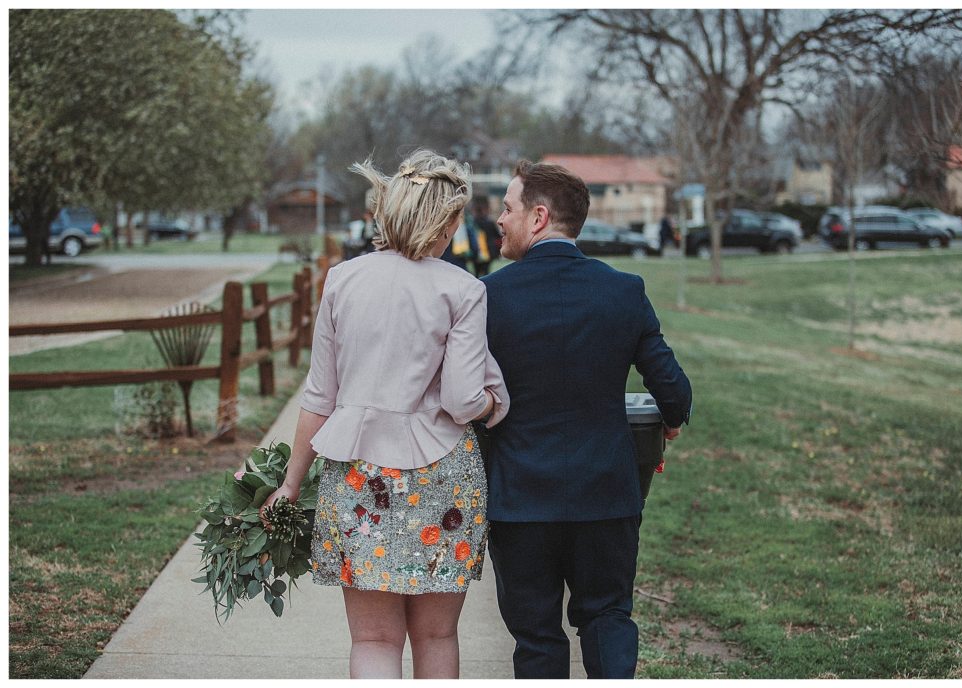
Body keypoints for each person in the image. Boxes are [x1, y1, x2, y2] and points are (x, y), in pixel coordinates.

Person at [261, 149, 509, 679]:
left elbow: (319, 397)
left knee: (373, 639)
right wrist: (494, 403)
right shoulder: (464, 289)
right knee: (437, 635)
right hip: (443, 476)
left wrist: (290, 484)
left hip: (359, 475)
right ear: (446, 224)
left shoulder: (341, 280)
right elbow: (464, 400)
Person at [480, 160, 692, 679]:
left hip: (520, 500)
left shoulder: (488, 296)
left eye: (507, 209)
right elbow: (674, 392)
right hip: (606, 494)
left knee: (536, 636)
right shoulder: (623, 290)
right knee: (608, 618)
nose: (499, 220)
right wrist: (668, 420)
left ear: (538, 217)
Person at [471, 199, 502, 276]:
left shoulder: (472, 223)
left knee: (476, 272)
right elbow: (497, 235)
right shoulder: (489, 222)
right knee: (486, 272)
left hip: (476, 250)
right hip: (488, 250)